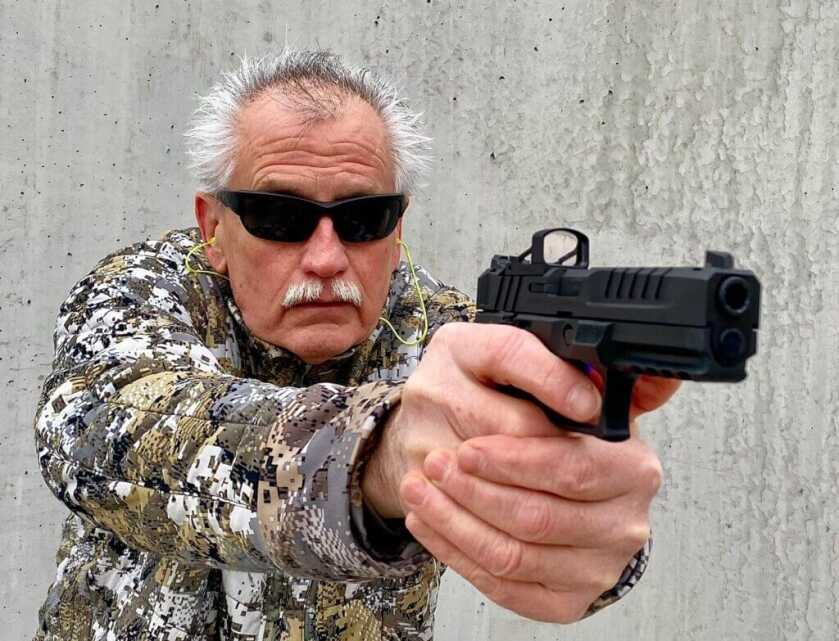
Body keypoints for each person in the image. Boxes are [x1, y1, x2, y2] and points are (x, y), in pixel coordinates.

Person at [33, 49, 679, 641]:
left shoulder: (450, 339)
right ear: (214, 229)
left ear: (397, 233)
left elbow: (569, 512)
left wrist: (587, 528)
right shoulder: (142, 294)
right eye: (278, 216)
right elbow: (106, 434)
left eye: (362, 218)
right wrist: (377, 452)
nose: (324, 257)